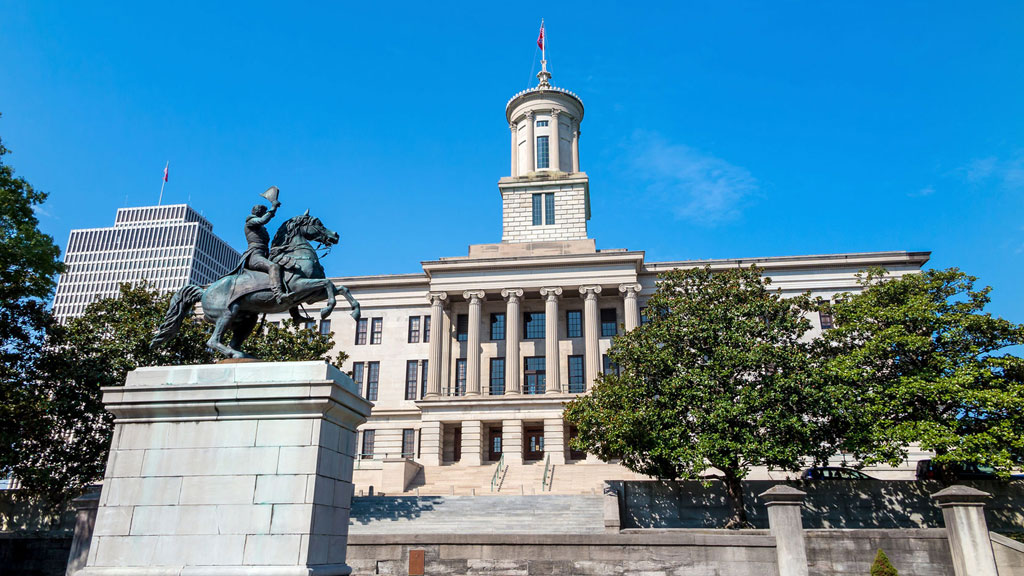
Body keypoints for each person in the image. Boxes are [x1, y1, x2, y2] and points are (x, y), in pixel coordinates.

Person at [241, 188, 290, 302]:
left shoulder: (261, 228)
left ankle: (295, 313)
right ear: (256, 212)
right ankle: (278, 294)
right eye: (261, 211)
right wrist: (273, 207)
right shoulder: (250, 222)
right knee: (274, 267)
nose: (262, 213)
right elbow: (263, 220)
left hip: (264, 254)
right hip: (254, 255)